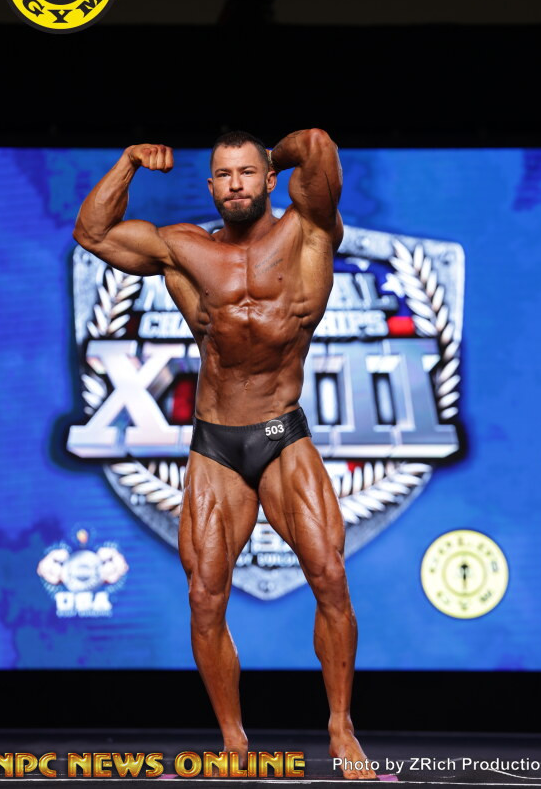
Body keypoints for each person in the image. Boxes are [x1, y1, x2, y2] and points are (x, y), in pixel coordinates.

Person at [73, 129, 376, 780]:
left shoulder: (309, 230)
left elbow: (316, 145)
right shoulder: (183, 249)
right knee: (206, 598)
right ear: (210, 186)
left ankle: (340, 725)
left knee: (329, 576)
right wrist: (128, 162)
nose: (236, 184)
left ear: (268, 178)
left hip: (281, 433)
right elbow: (92, 233)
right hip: (216, 443)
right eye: (224, 174)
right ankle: (235, 743)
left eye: (248, 171)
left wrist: (278, 154)